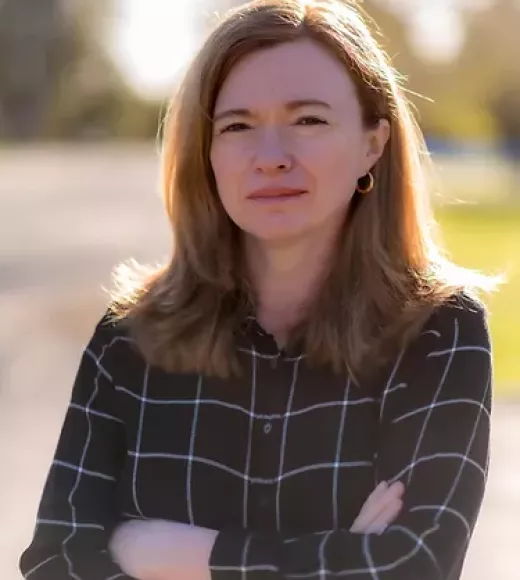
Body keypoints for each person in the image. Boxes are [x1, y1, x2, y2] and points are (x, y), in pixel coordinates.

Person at [19, 0, 495, 579]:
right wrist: (339, 556)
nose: (271, 158)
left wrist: (192, 559)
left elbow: (413, 566)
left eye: (308, 120)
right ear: (208, 152)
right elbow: (55, 561)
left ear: (373, 144)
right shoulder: (131, 339)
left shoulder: (439, 333)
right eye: (238, 126)